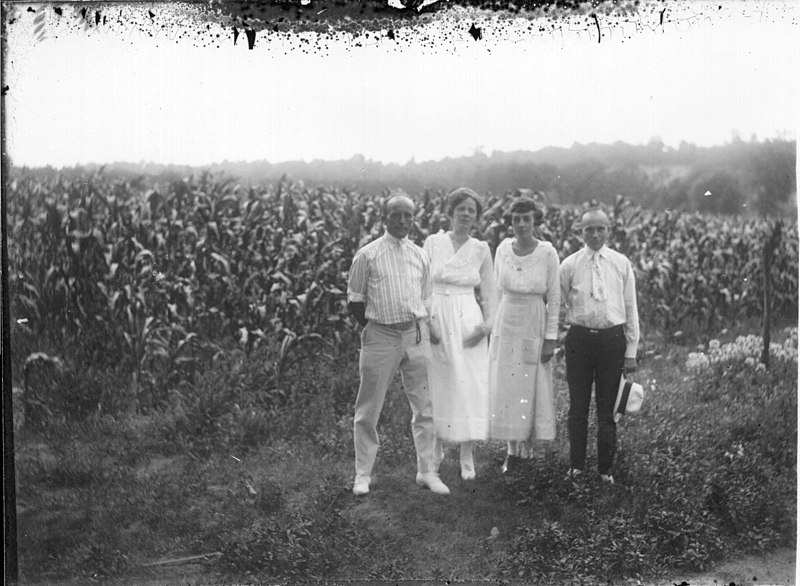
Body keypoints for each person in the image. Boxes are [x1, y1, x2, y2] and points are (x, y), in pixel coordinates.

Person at [347, 191, 450, 497]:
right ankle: (362, 475)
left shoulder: (420, 255)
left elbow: (425, 298)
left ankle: (427, 471)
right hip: (381, 337)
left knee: (425, 407)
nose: (403, 221)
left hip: (415, 336)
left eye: (408, 215)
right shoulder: (367, 255)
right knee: (368, 410)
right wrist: (379, 332)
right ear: (384, 218)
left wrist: (416, 330)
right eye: (396, 215)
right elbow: (355, 303)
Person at [560, 207, 639, 484]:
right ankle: (577, 467)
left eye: (600, 228)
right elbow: (555, 304)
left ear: (609, 230)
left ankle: (605, 471)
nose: (595, 234)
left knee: (609, 410)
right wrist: (557, 335)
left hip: (611, 342)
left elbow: (630, 308)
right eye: (588, 229)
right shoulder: (569, 265)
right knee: (578, 407)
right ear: (580, 232)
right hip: (579, 341)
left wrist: (630, 351)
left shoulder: (620, 263)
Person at [423, 187, 497, 481]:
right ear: (450, 212)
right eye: (461, 208)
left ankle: (467, 454)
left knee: (469, 385)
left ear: (477, 217)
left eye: (471, 210)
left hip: (468, 318)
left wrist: (485, 327)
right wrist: (428, 321)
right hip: (438, 316)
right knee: (438, 383)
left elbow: (490, 293)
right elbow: (422, 283)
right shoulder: (433, 242)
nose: (466, 214)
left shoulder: (481, 249)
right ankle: (436, 450)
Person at [488, 197, 559, 472]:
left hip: (534, 321)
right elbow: (495, 291)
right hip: (507, 321)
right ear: (511, 222)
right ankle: (511, 451)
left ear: (535, 221)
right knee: (507, 385)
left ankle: (528, 451)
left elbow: (553, 297)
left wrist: (550, 338)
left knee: (531, 385)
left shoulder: (548, 253)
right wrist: (492, 328)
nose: (521, 224)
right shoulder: (503, 249)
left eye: (526, 219)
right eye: (516, 219)